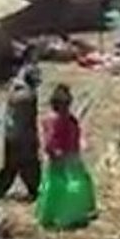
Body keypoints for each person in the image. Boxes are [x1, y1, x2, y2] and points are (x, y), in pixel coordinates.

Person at [36, 83, 97, 229]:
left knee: (64, 186)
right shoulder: (55, 120)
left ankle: (67, 215)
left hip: (70, 156)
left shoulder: (65, 119)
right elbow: (50, 141)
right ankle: (67, 216)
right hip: (64, 159)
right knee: (68, 187)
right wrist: (57, 153)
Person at [0, 74, 41, 201]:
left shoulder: (15, 92)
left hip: (11, 135)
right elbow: (28, 120)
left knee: (10, 166)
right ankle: (34, 189)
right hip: (23, 136)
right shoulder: (29, 96)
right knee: (29, 165)